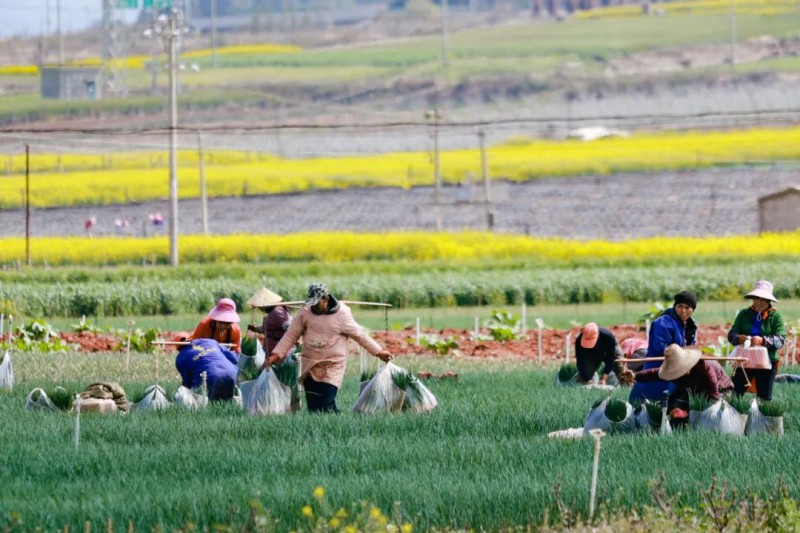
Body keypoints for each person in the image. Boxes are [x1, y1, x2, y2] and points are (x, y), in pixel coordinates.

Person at [265, 283, 393, 413]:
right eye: (311, 303)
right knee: (314, 408)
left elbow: (359, 335)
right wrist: (276, 355)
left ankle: (340, 425)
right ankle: (321, 429)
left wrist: (379, 352)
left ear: (326, 299)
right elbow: (291, 335)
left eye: (317, 303)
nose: (313, 306)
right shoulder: (305, 312)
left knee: (326, 404)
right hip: (310, 364)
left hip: (332, 365)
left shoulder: (342, 314)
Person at [621, 343, 733, 423]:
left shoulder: (705, 367)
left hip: (721, 390)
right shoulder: (676, 373)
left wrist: (691, 413)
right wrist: (636, 376)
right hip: (692, 389)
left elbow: (714, 398)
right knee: (673, 409)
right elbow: (655, 373)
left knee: (704, 415)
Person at [629, 290, 699, 403]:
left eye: (687, 307)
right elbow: (661, 348)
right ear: (675, 306)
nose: (683, 311)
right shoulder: (663, 322)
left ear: (693, 309)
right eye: (680, 306)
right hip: (658, 369)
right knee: (652, 405)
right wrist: (683, 357)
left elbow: (692, 348)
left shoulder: (691, 326)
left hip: (678, 371)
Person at [727, 280, 786, 401]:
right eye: (756, 298)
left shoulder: (775, 317)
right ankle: (735, 417)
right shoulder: (744, 314)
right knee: (736, 393)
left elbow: (780, 340)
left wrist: (762, 341)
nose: (759, 302)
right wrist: (739, 338)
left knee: (764, 397)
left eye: (763, 299)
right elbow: (731, 335)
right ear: (753, 298)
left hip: (767, 362)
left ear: (769, 301)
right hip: (744, 361)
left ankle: (762, 419)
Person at [246, 287, 294, 356]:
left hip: (279, 351)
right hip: (271, 350)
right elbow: (267, 328)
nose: (260, 308)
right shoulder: (273, 312)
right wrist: (255, 329)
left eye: (261, 307)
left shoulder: (277, 312)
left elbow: (288, 326)